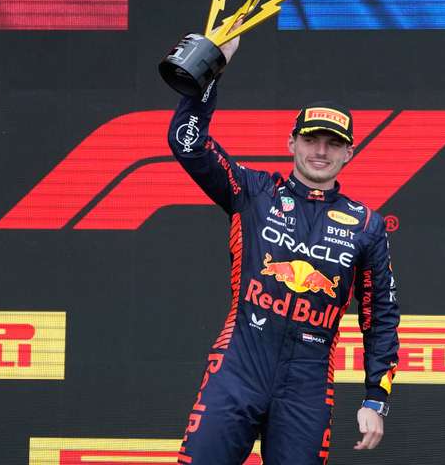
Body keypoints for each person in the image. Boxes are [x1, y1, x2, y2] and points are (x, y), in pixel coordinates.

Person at [168, 30, 399, 464]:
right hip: (237, 369)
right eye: (311, 139)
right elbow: (188, 144)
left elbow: (380, 317)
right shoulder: (253, 191)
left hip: (307, 385)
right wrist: (209, 72)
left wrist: (375, 398)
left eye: (334, 144)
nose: (320, 151)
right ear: (291, 143)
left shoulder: (367, 225)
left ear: (349, 153)